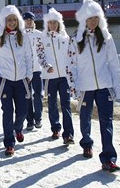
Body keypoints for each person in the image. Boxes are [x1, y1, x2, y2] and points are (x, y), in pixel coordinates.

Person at [67, 0, 120, 173]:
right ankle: (87, 143)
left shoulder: (106, 38)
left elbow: (114, 63)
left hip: (104, 86)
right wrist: (75, 88)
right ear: (84, 20)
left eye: (96, 17)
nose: (93, 21)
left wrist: (116, 88)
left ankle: (108, 158)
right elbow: (70, 66)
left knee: (107, 121)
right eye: (90, 18)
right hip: (85, 87)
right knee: (85, 117)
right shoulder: (75, 39)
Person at [0, 5, 32, 157]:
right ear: (4, 21)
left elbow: (28, 57)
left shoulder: (23, 37)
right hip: (5, 80)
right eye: (9, 20)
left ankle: (18, 128)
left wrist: (28, 76)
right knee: (7, 112)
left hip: (21, 80)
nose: (12, 22)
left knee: (23, 111)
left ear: (18, 21)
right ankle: (9, 143)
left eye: (14, 19)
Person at [35, 8, 74, 144]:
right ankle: (55, 128)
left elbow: (71, 56)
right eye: (50, 22)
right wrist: (46, 66)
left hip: (64, 77)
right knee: (52, 104)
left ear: (59, 23)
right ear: (47, 24)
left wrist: (71, 72)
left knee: (66, 105)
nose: (52, 25)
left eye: (55, 22)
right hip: (50, 77)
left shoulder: (65, 38)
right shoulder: (42, 38)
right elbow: (39, 55)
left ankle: (68, 134)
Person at [22, 11, 43, 131]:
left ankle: (38, 118)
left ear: (34, 21)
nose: (29, 22)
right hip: (25, 71)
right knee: (27, 96)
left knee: (38, 95)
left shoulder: (39, 35)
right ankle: (29, 120)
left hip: (37, 70)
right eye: (26, 20)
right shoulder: (20, 35)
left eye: (31, 19)